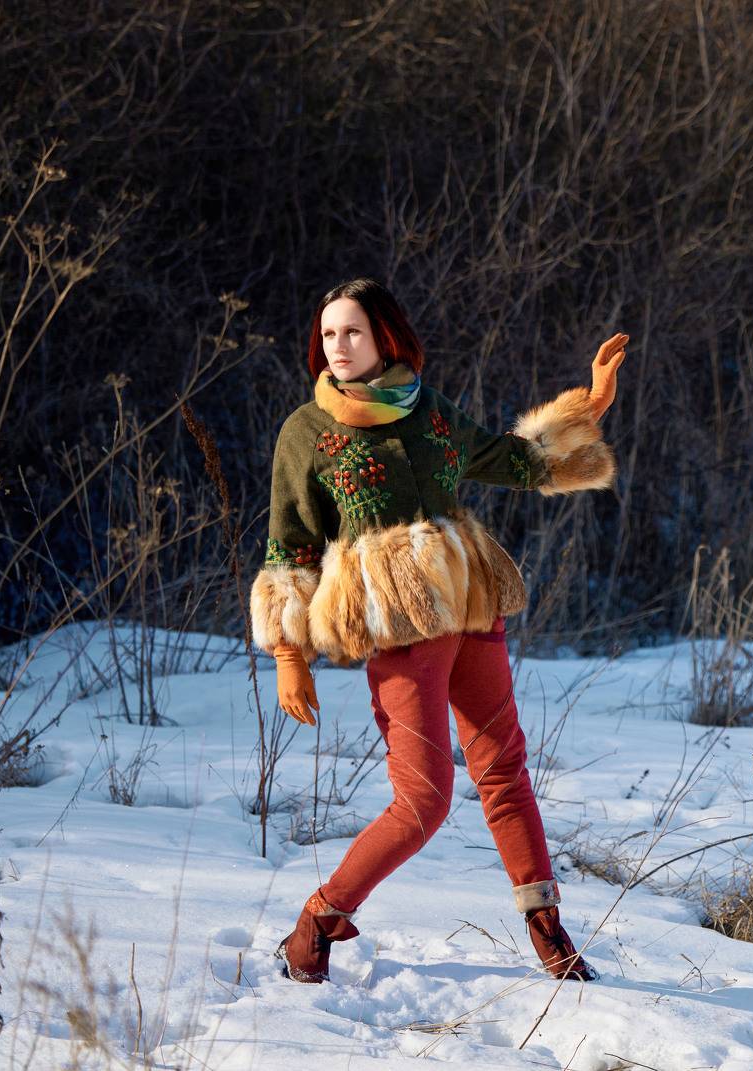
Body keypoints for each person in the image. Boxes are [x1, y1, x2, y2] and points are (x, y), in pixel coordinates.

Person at [249, 276, 626, 986]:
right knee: (423, 800)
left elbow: (515, 461)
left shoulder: (429, 410)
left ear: (384, 336)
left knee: (504, 769)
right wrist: (288, 653)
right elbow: (289, 544)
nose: (338, 345)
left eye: (352, 331)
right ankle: (320, 917)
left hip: (471, 605)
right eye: (328, 333)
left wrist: (591, 404)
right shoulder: (308, 431)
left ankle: (546, 925)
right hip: (396, 625)